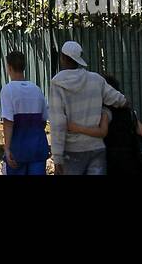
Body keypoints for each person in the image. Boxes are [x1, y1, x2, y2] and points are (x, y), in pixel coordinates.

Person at [47, 40, 125, 175]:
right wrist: (106, 112)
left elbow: (58, 122)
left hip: (72, 151)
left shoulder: (57, 83)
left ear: (63, 58)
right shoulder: (96, 79)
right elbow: (120, 100)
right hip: (96, 148)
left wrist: (57, 157)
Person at [67, 73, 142, 175]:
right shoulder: (128, 111)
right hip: (130, 158)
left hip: (110, 158)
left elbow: (102, 132)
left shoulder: (102, 111)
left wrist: (76, 128)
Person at [0, 50, 49, 175]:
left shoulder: (8, 90)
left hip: (18, 148)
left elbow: (8, 122)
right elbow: (43, 121)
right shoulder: (37, 89)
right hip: (37, 147)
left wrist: (7, 148)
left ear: (9, 67)